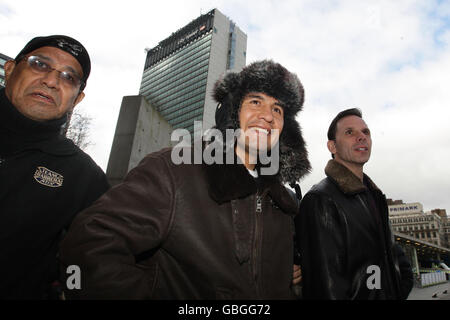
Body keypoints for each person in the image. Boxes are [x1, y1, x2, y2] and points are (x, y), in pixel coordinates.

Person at [59, 60, 311, 299]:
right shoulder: (174, 170)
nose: (268, 116)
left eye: (277, 109)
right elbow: (85, 247)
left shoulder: (281, 201)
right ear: (231, 114)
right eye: (256, 102)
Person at [0, 35, 109, 299]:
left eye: (68, 77)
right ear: (11, 69)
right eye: (39, 64)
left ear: (77, 98)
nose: (51, 81)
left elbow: (94, 266)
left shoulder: (84, 178)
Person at [295, 108, 412, 300]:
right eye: (350, 132)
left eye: (365, 132)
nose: (361, 137)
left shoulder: (374, 196)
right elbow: (326, 287)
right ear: (332, 147)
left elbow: (395, 259)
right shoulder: (321, 200)